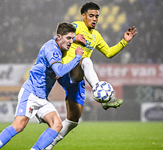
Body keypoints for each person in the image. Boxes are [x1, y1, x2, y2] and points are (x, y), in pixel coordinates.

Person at [45, 2, 137, 149]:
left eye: (97, 16)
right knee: (86, 60)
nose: (94, 19)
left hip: (77, 78)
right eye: (91, 16)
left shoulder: (96, 36)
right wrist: (74, 39)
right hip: (67, 71)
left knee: (73, 119)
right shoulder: (76, 26)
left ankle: (49, 145)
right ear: (83, 16)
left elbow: (109, 53)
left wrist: (123, 42)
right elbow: (58, 40)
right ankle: (100, 93)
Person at [0, 22, 84, 150]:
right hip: (31, 92)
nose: (71, 41)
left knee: (57, 124)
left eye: (72, 38)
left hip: (42, 97)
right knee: (19, 125)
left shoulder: (60, 48)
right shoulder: (52, 49)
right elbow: (60, 71)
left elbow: (59, 72)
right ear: (58, 36)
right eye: (68, 38)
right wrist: (77, 58)